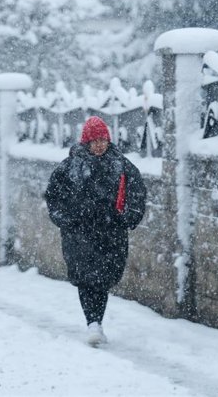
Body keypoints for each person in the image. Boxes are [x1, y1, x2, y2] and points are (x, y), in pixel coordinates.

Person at [45, 116, 147, 346]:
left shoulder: (122, 165)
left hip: (111, 234)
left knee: (102, 279)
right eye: (95, 140)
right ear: (86, 142)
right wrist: (68, 220)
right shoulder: (70, 167)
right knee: (87, 279)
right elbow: (54, 197)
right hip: (79, 235)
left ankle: (95, 322)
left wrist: (127, 217)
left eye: (103, 139)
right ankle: (94, 323)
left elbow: (137, 194)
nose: (100, 144)